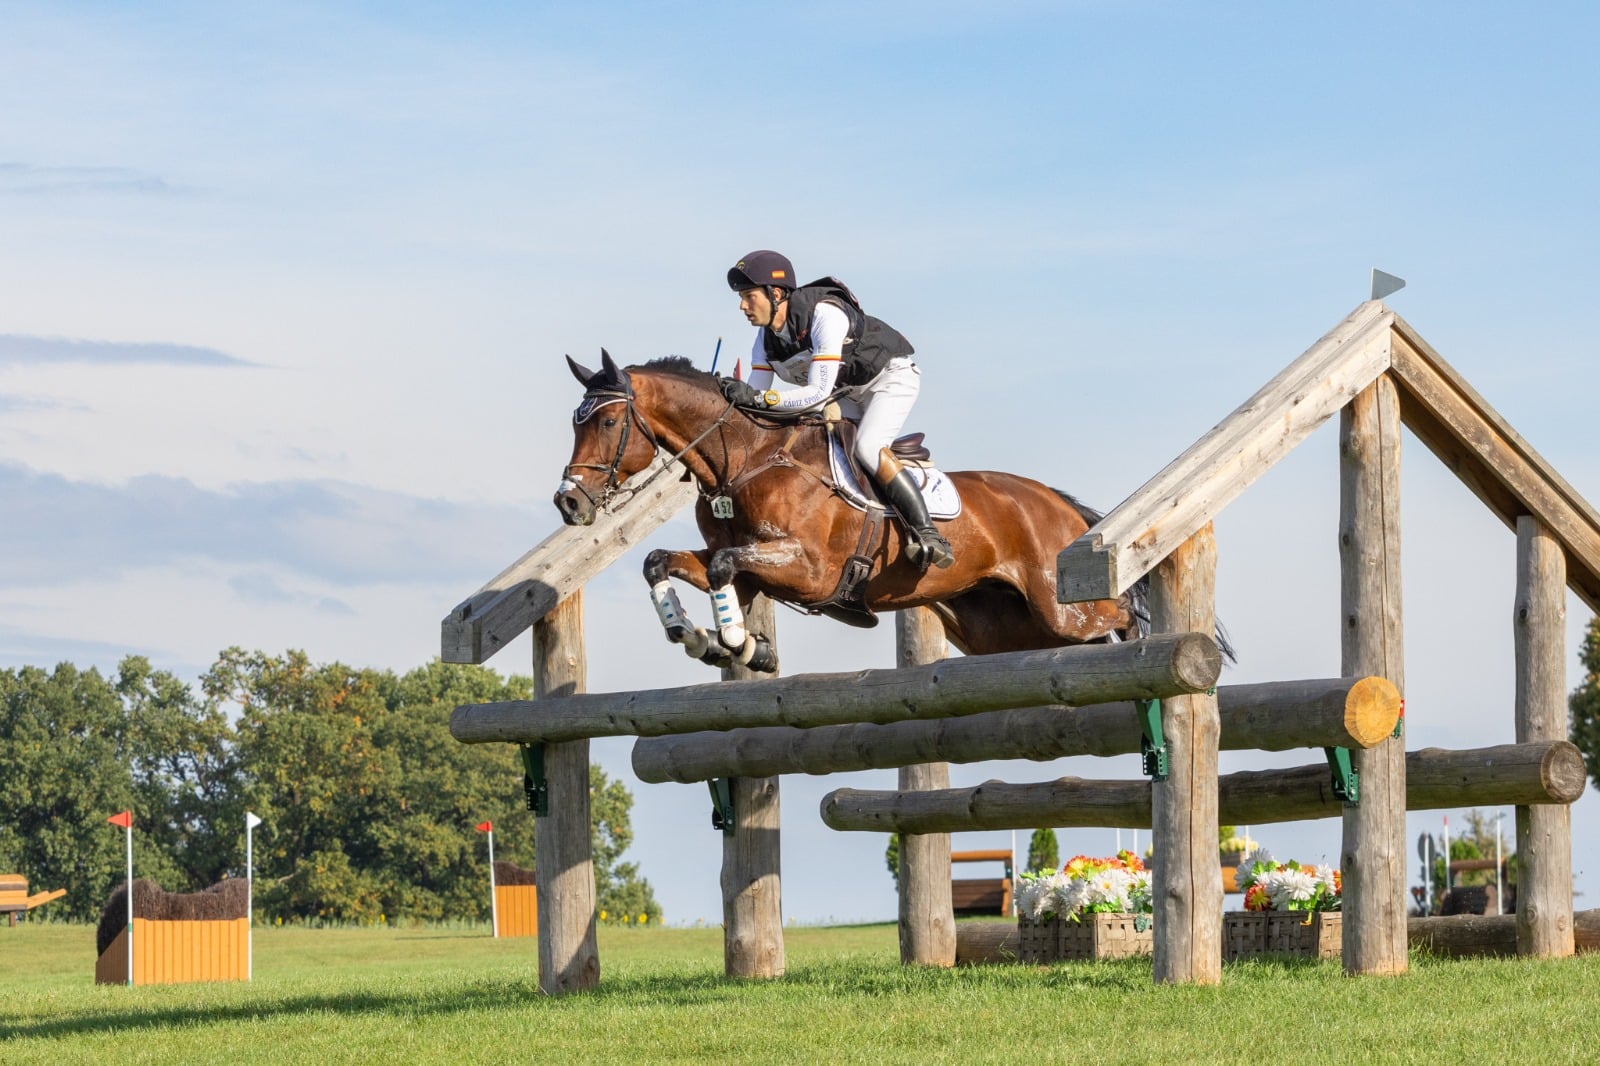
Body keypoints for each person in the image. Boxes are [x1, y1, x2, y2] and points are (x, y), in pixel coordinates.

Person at [720, 249, 954, 570]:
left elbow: (814, 397)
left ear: (775, 294)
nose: (742, 306)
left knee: (868, 447)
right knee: (817, 450)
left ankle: (927, 532)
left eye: (748, 296)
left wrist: (759, 400)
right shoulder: (765, 340)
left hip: (889, 379)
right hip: (846, 392)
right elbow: (756, 403)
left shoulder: (824, 315)